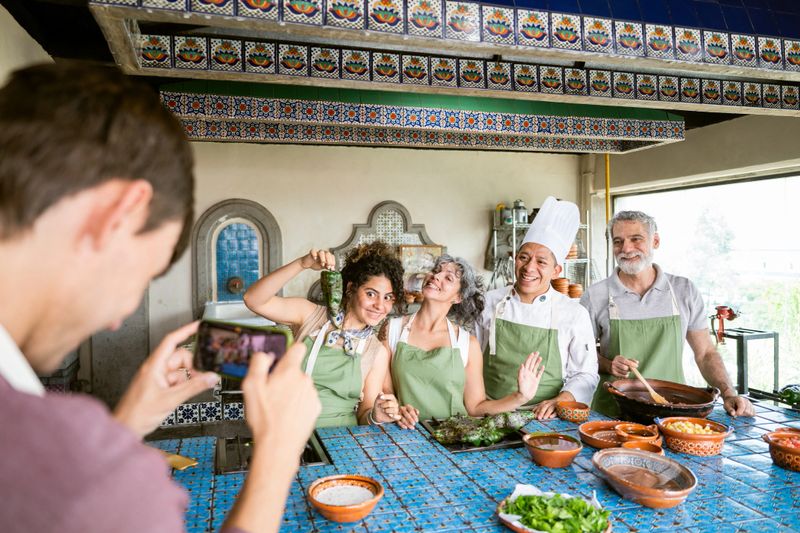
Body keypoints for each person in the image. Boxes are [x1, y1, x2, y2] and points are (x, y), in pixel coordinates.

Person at [0, 63, 320, 533]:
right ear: (120, 215)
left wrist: (127, 422)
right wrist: (277, 452)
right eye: (143, 274)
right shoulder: (74, 459)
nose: (119, 316)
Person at [580, 210, 755, 418]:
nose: (626, 249)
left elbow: (705, 353)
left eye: (636, 239)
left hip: (672, 410)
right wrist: (609, 364)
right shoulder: (595, 295)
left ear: (655, 241)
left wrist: (728, 393)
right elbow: (581, 357)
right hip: (614, 412)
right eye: (618, 241)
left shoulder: (684, 290)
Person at [244, 242, 404, 427]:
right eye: (371, 294)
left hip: (341, 443)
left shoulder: (376, 352)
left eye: (388, 297)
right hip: (289, 433)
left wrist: (376, 416)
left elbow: (363, 414)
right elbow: (253, 300)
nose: (380, 305)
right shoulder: (310, 315)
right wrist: (301, 264)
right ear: (350, 288)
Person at [382, 255, 545, 429]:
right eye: (436, 271)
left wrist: (520, 397)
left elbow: (475, 408)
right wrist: (397, 411)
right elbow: (384, 391)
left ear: (458, 297)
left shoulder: (467, 343)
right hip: (403, 433)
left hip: (452, 438)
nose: (436, 277)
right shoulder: (392, 329)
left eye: (448, 278)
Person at [476, 197, 599, 420]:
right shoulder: (489, 302)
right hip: (490, 413)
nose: (529, 267)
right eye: (524, 257)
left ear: (556, 270)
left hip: (546, 419)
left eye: (541, 262)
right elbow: (469, 360)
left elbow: (586, 374)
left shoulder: (573, 314)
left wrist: (562, 400)